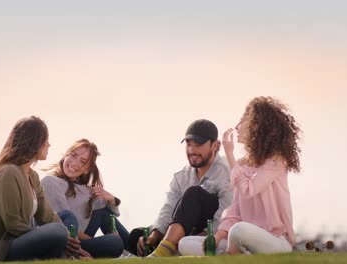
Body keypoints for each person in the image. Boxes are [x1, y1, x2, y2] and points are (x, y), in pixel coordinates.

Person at [179, 96, 301, 256]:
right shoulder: (242, 164)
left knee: (238, 230)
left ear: (257, 127)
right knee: (185, 243)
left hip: (274, 240)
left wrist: (229, 154)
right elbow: (236, 210)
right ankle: (234, 256)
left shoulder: (276, 161)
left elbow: (249, 189)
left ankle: (232, 255)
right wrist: (218, 236)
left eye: (243, 122)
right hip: (241, 240)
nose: (236, 127)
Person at [0, 116, 81, 261]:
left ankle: (71, 254)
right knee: (56, 231)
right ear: (35, 142)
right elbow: (13, 224)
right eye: (46, 140)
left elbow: (47, 216)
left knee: (65, 220)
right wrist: (53, 235)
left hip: (19, 240)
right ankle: (65, 254)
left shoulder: (32, 176)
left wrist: (68, 238)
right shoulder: (7, 173)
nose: (49, 145)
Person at [129, 119, 233, 257]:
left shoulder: (226, 171)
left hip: (211, 232)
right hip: (184, 229)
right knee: (137, 235)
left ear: (215, 145)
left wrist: (203, 236)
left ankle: (160, 253)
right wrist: (155, 234)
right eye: (188, 145)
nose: (192, 150)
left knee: (193, 192)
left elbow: (227, 213)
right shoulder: (181, 176)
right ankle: (159, 250)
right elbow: (169, 207)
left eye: (198, 145)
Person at [41, 138, 128, 258]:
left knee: (104, 213)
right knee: (115, 243)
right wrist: (107, 239)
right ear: (66, 154)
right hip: (64, 241)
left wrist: (111, 198)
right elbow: (63, 224)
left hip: (80, 240)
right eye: (73, 155)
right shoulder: (51, 182)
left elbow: (113, 213)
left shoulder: (86, 190)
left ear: (87, 169)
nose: (75, 163)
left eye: (82, 162)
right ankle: (124, 251)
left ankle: (137, 249)